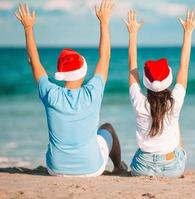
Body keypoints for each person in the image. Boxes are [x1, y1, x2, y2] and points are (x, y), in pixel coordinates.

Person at [15, 0, 127, 177]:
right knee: (107, 128)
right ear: (82, 72)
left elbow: (34, 61)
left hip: (56, 169)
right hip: (92, 168)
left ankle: (116, 166)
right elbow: (105, 57)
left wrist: (28, 28)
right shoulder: (93, 92)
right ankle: (119, 167)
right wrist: (104, 22)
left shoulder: (50, 93)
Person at [122, 9, 195, 177]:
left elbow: (132, 67)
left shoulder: (139, 101)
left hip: (141, 168)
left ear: (146, 82)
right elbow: (184, 66)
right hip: (171, 168)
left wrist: (132, 33)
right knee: (176, 122)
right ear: (168, 79)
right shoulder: (175, 100)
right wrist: (188, 33)